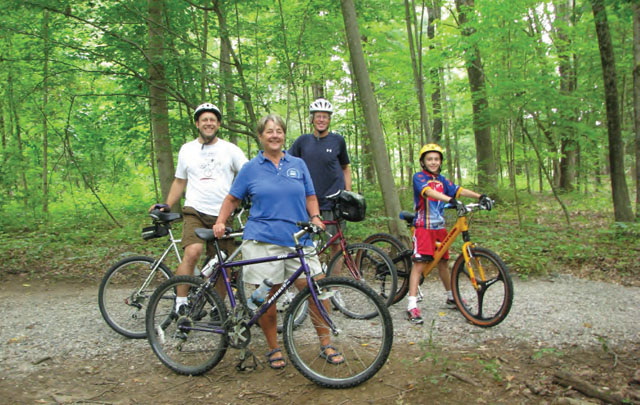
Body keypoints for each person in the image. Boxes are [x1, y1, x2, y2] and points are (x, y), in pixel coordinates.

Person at [213, 114, 344, 369]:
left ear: (284, 135)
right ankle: (273, 348)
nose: (275, 135)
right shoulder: (251, 168)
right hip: (263, 239)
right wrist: (220, 221)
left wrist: (315, 216)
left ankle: (326, 343)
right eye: (269, 131)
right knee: (268, 298)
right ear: (261, 137)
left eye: (279, 131)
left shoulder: (298, 164)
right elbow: (231, 199)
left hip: (299, 238)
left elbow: (310, 196)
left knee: (316, 290)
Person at [149, 102, 247, 313]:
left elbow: (247, 174)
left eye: (212, 120)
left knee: (220, 263)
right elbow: (179, 181)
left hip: (223, 214)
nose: (208, 123)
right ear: (197, 124)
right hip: (195, 210)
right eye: (204, 120)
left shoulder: (230, 149)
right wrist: (167, 204)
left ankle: (217, 308)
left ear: (218, 124)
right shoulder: (187, 149)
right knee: (193, 252)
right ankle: (181, 302)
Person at [406, 143, 493, 325]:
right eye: (429, 159)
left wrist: (480, 197)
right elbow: (428, 192)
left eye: (436, 159)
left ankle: (450, 296)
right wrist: (450, 200)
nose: (433, 162)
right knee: (419, 264)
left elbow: (459, 190)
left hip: (440, 228)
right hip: (424, 226)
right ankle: (412, 304)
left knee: (443, 262)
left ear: (440, 161)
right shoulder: (419, 177)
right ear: (423, 161)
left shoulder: (443, 180)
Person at [288, 98, 351, 261]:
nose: (321, 120)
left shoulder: (338, 141)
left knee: (336, 244)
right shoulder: (303, 141)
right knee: (306, 243)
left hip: (333, 201)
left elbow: (345, 167)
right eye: (318, 116)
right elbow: (287, 162)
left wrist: (348, 194)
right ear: (312, 119)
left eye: (325, 116)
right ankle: (311, 281)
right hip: (308, 201)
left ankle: (334, 283)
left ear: (329, 120)